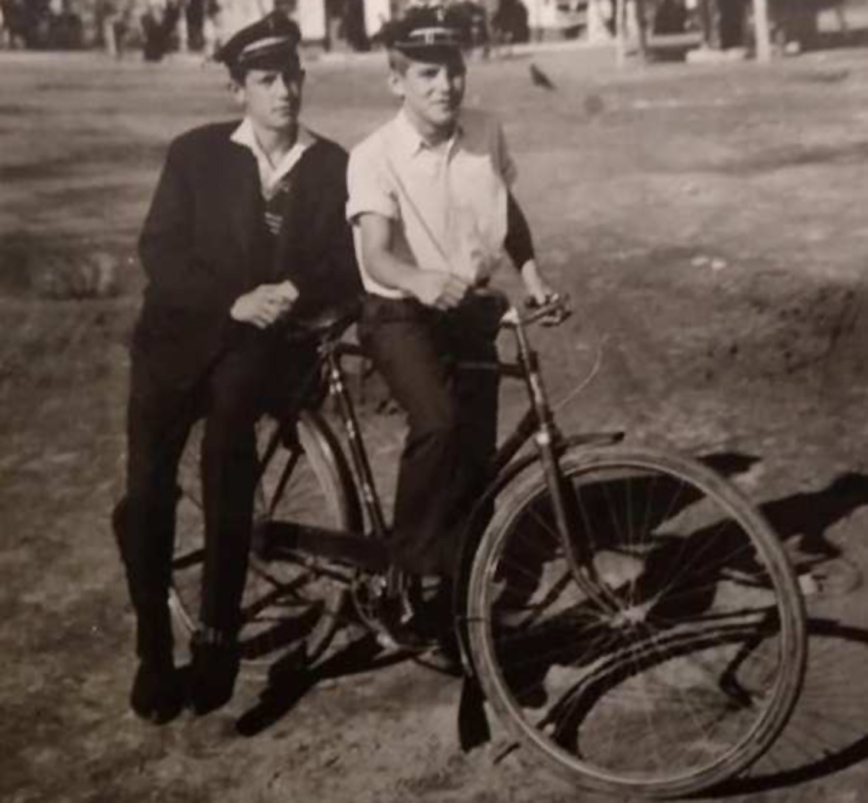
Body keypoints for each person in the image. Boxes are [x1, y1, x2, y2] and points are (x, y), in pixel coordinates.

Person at [113, 11, 360, 724]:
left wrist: (295, 291)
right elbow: (161, 252)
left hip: (258, 350)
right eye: (266, 80)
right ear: (237, 91)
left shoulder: (329, 166)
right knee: (147, 494)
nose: (284, 92)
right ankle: (153, 646)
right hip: (176, 342)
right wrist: (233, 299)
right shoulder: (196, 155)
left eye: (292, 77)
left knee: (229, 452)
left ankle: (217, 636)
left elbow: (343, 262)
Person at [346, 6, 559, 639]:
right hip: (399, 311)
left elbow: (507, 211)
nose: (445, 86)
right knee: (438, 423)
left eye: (453, 71)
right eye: (427, 74)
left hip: (466, 305)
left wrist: (533, 276)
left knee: (474, 450)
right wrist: (421, 280)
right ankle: (404, 569)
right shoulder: (373, 155)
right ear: (397, 81)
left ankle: (460, 581)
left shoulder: (485, 131)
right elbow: (375, 255)